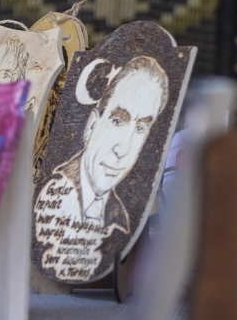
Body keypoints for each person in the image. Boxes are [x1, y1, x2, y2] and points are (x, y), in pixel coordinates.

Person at [34, 55, 170, 282]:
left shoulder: (122, 216)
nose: (123, 149)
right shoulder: (51, 194)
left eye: (140, 128)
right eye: (118, 121)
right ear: (92, 125)